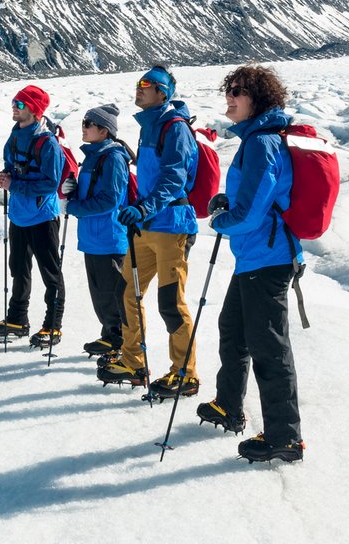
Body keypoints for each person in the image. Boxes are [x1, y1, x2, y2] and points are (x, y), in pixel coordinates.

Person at [201, 63, 306, 463]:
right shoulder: (257, 139)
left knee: (269, 347)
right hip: (256, 256)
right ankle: (229, 406)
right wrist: (228, 205)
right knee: (233, 329)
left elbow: (250, 213)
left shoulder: (262, 143)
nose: (230, 97)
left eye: (239, 91)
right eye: (229, 89)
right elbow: (252, 201)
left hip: (267, 256)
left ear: (257, 98)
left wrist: (221, 219)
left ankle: (284, 437)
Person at [98, 65, 200, 398]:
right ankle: (134, 362)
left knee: (171, 302)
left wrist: (143, 208)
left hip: (171, 225)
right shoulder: (149, 126)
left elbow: (173, 179)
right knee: (129, 293)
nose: (139, 88)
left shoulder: (175, 128)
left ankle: (184, 373)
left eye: (147, 84)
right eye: (138, 83)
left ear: (163, 93)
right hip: (146, 226)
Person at [0, 84, 66, 346]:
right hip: (20, 215)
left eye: (20, 104)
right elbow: (14, 168)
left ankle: (52, 326)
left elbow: (50, 183)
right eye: (14, 102)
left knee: (50, 273)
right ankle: (17, 318)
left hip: (43, 216)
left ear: (33, 110)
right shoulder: (14, 137)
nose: (14, 106)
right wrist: (5, 177)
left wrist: (14, 185)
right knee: (18, 269)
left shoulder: (48, 144)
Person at [64, 104, 132, 361]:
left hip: (108, 237)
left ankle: (120, 341)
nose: (84, 127)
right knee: (102, 294)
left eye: (88, 123)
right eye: (84, 122)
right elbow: (95, 193)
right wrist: (73, 191)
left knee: (112, 294)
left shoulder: (112, 158)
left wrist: (75, 206)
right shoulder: (95, 156)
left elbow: (110, 200)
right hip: (93, 237)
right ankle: (110, 336)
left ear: (104, 131)